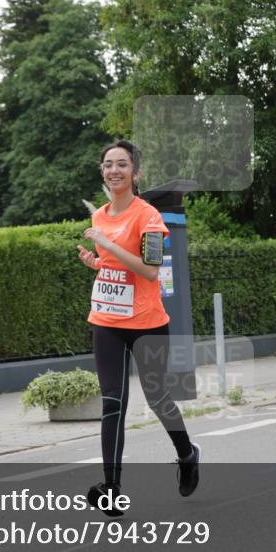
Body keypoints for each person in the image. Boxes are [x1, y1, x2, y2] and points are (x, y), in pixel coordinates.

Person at [77, 139, 200, 517]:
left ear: (135, 172)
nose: (114, 171)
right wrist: (96, 264)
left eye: (122, 165)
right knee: (112, 403)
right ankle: (111, 487)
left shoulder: (149, 218)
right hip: (107, 321)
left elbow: (148, 271)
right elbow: (114, 265)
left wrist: (106, 248)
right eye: (108, 164)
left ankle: (187, 454)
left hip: (147, 324)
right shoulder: (100, 216)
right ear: (102, 171)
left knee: (158, 399)